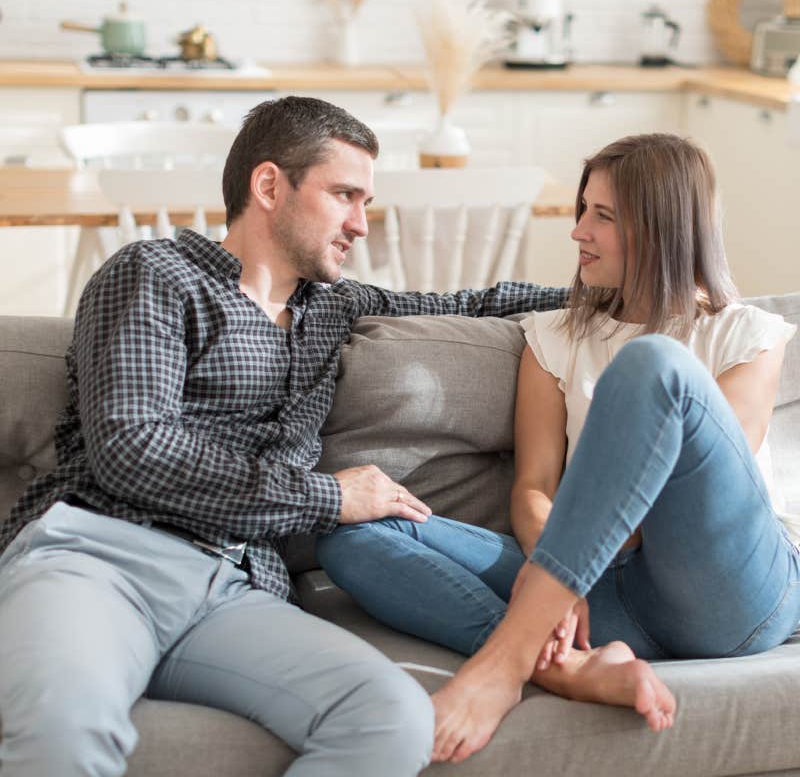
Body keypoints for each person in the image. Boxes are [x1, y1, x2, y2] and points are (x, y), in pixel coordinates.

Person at [0, 95, 573, 777]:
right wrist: (328, 499)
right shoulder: (153, 273)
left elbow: (472, 304)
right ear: (270, 185)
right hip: (102, 556)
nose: (362, 224)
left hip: (233, 588)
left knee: (390, 716)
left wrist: (621, 288)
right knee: (62, 730)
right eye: (344, 196)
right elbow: (132, 448)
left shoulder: (335, 305)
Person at [317, 133, 799, 763]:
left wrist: (570, 560)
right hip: (608, 603)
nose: (577, 233)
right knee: (351, 535)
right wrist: (562, 571)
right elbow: (534, 489)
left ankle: (507, 660)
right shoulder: (554, 337)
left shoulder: (748, 335)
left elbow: (688, 495)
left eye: (602, 215)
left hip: (727, 591)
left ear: (660, 227)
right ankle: (567, 667)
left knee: (653, 366)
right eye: (581, 210)